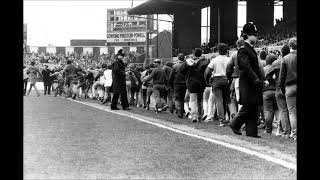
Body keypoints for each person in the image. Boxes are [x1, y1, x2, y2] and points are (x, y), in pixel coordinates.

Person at [229, 22, 264, 138]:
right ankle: (235, 123)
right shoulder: (244, 49)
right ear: (249, 35)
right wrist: (255, 78)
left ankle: (251, 132)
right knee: (249, 105)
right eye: (255, 35)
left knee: (253, 106)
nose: (257, 37)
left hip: (252, 82)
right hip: (249, 82)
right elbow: (245, 66)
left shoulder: (249, 49)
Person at [204, 43, 231, 126]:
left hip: (217, 80)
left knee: (219, 100)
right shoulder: (229, 59)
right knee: (226, 100)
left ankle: (222, 120)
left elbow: (207, 72)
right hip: (226, 80)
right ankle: (228, 118)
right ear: (226, 50)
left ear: (218, 51)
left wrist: (207, 80)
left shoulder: (214, 60)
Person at [180, 48, 209, 123]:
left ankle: (194, 116)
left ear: (193, 54)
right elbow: (207, 73)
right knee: (200, 100)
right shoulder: (205, 62)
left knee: (193, 100)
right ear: (201, 54)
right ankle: (200, 115)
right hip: (201, 83)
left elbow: (181, 70)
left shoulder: (188, 61)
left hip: (191, 83)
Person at [268, 45, 291, 138]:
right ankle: (292, 131)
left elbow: (268, 76)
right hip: (289, 86)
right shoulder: (291, 60)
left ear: (281, 53)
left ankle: (286, 132)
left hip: (279, 88)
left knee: (283, 110)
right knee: (292, 110)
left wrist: (275, 83)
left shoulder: (276, 62)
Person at [279, 37, 297, 140]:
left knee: (292, 112)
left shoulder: (285, 59)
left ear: (289, 46)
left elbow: (282, 77)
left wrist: (282, 89)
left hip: (290, 87)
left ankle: (294, 134)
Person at [262, 54, 278, 134]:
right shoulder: (276, 68)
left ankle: (268, 129)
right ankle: (280, 129)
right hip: (276, 91)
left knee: (268, 111)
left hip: (266, 92)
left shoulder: (263, 69)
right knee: (278, 111)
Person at [169, 53, 187, 118]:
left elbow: (171, 77)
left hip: (177, 84)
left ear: (178, 58)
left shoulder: (175, 66)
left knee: (177, 98)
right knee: (182, 98)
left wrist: (171, 85)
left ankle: (179, 112)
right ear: (184, 58)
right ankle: (181, 112)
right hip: (185, 84)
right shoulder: (186, 65)